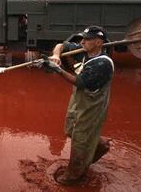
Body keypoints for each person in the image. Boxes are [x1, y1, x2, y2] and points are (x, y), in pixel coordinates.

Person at [45, 25, 114, 185]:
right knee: (70, 129)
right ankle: (98, 144)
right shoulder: (84, 50)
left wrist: (57, 70)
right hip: (79, 99)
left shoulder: (102, 64)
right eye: (82, 38)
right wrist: (56, 55)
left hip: (92, 105)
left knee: (80, 139)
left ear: (98, 42)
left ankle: (74, 174)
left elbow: (80, 82)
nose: (82, 41)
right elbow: (61, 45)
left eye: (87, 39)